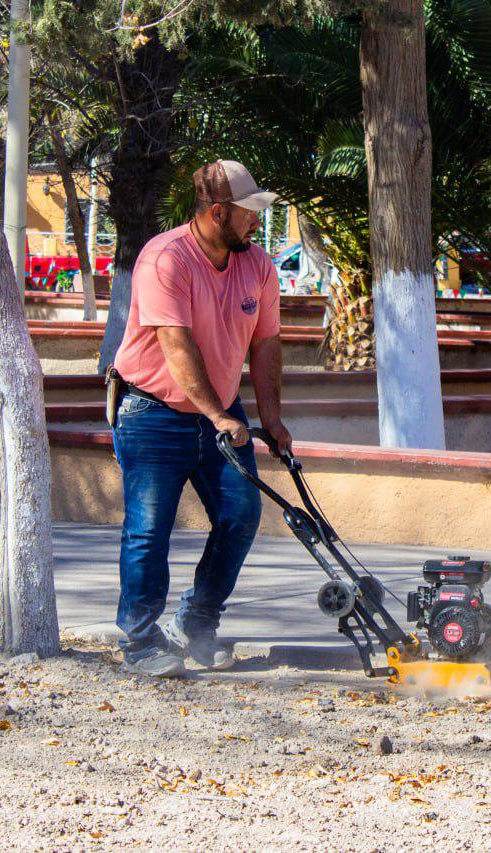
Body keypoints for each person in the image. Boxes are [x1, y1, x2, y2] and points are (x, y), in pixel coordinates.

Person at [109, 160, 293, 678]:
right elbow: (176, 345)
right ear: (217, 213)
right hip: (153, 410)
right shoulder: (165, 259)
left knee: (240, 515)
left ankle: (196, 621)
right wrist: (218, 415)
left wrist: (271, 419)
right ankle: (142, 642)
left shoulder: (257, 266)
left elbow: (266, 344)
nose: (257, 222)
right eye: (248, 212)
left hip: (220, 412)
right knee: (149, 529)